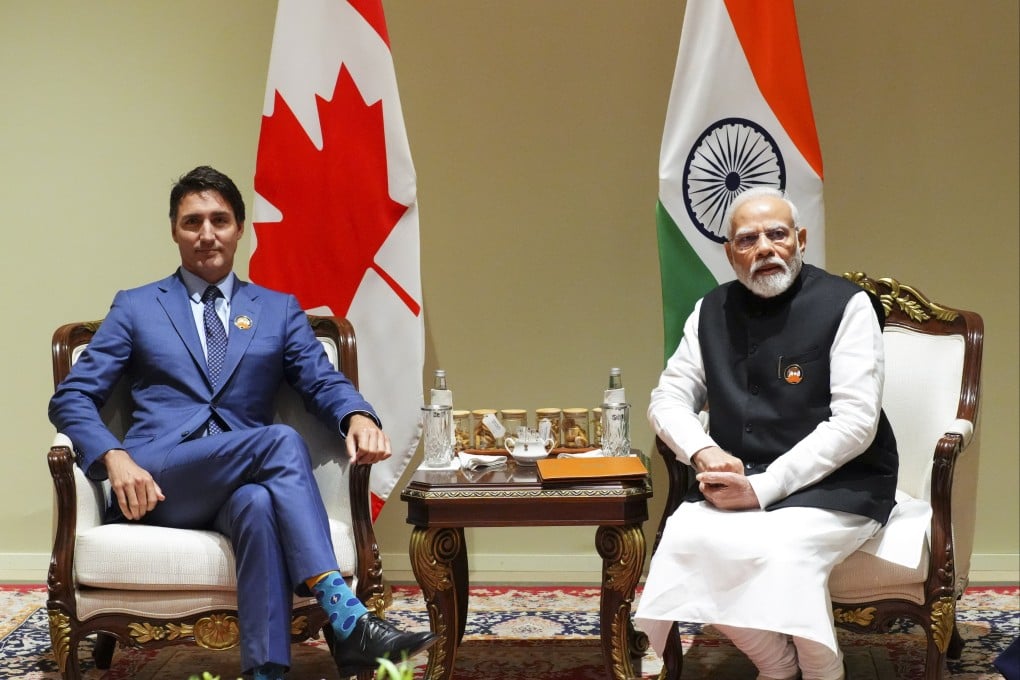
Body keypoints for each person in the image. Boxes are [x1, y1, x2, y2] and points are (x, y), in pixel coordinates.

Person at [48, 166, 436, 680]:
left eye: (219, 220)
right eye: (192, 222)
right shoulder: (137, 307)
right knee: (278, 441)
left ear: (239, 228)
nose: (206, 234)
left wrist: (358, 415)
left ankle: (266, 671)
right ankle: (347, 619)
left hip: (239, 482)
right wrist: (114, 457)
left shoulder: (278, 310)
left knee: (256, 503)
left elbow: (322, 382)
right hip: (161, 479)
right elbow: (72, 396)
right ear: (174, 230)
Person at [635, 187, 898, 680]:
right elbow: (667, 398)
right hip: (740, 481)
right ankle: (776, 665)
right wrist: (703, 449)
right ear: (730, 252)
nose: (765, 248)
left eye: (777, 235)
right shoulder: (709, 310)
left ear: (799, 240)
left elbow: (856, 423)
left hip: (841, 483)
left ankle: (823, 672)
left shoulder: (848, 305)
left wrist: (764, 488)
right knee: (683, 539)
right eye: (748, 239)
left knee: (783, 551)